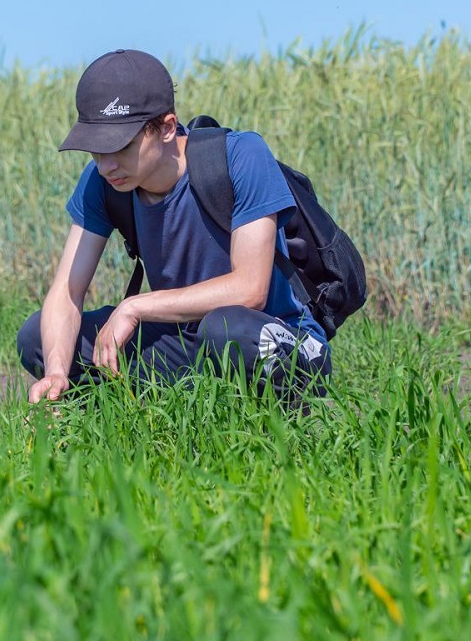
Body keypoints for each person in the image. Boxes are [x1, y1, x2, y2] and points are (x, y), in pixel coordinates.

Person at [17, 48, 331, 407]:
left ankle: (287, 421)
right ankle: (134, 420)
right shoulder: (103, 183)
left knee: (224, 328)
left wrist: (135, 307)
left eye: (120, 146)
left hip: (271, 336)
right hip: (183, 343)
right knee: (38, 337)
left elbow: (250, 290)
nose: (106, 165)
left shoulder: (241, 156)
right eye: (95, 150)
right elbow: (66, 291)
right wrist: (56, 372)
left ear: (166, 128)